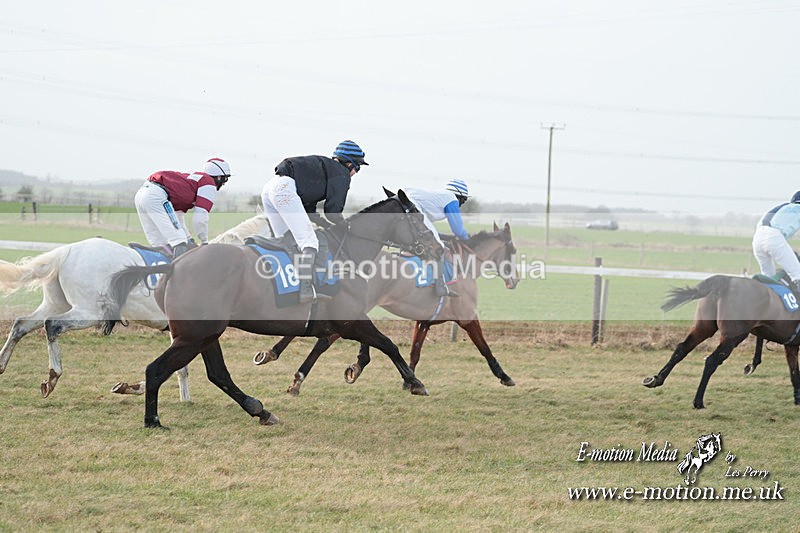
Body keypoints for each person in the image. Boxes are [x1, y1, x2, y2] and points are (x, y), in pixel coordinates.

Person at [262, 140, 367, 303]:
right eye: (358, 167)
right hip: (284, 190)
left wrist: (326, 224)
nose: (356, 172)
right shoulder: (341, 173)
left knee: (286, 239)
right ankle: (306, 289)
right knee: (310, 242)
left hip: (270, 188)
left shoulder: (322, 171)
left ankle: (282, 283)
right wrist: (344, 225)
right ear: (349, 163)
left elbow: (308, 210)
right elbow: (333, 211)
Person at [135, 158, 231, 258]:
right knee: (179, 241)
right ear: (219, 177)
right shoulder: (209, 183)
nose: (224, 183)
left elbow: (177, 216)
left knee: (160, 243)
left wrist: (189, 238)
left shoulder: (192, 180)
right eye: (225, 179)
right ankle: (176, 273)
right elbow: (200, 219)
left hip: (142, 193)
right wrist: (204, 242)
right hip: (156, 196)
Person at [404, 179, 471, 297]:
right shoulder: (451, 199)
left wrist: (447, 237)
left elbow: (429, 231)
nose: (460, 205)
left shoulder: (439, 199)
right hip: (412, 209)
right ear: (459, 196)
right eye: (463, 201)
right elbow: (458, 230)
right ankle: (440, 286)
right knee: (438, 247)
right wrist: (468, 239)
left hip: (405, 206)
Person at [752, 190, 800, 294]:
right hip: (773, 237)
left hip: (757, 239)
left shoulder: (783, 207)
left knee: (768, 279)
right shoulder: (797, 208)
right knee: (797, 275)